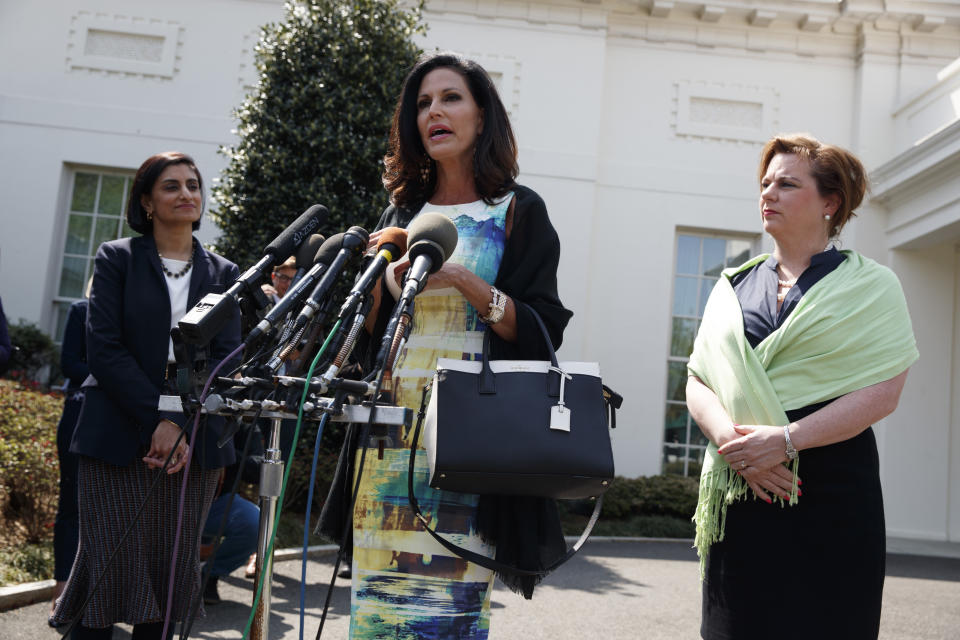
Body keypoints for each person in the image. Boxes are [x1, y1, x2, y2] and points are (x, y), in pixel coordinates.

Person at [340, 52, 572, 638]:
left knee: (450, 611)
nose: (434, 112)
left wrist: (467, 282)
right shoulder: (402, 211)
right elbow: (368, 333)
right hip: (388, 438)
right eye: (422, 103)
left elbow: (544, 327)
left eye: (450, 98)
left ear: (481, 114)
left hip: (468, 438)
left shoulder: (517, 210)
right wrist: (369, 282)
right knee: (378, 614)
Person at [687, 134, 918, 640]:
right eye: (765, 183)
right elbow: (698, 379)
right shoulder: (731, 286)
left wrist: (786, 441)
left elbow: (885, 390)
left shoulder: (873, 285)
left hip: (831, 489)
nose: (768, 193)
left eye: (787, 184)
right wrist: (737, 446)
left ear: (830, 203)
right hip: (743, 486)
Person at [51, 151, 241, 639]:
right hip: (116, 439)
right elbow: (105, 350)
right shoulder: (118, 258)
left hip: (189, 449)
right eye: (171, 186)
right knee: (100, 586)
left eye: (193, 185)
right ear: (147, 202)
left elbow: (226, 360)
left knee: (165, 587)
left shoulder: (224, 273)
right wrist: (157, 418)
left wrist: (179, 423)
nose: (186, 194)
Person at [49, 291, 90, 627]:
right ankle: (62, 588)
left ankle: (96, 593)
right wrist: (117, 376)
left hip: (125, 425)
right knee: (71, 506)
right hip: (79, 417)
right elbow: (70, 364)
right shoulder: (82, 310)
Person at [200, 421, 263, 605]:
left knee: (256, 523)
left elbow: (259, 469)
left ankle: (210, 575)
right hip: (172, 498)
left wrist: (225, 452)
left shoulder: (243, 424)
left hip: (216, 502)